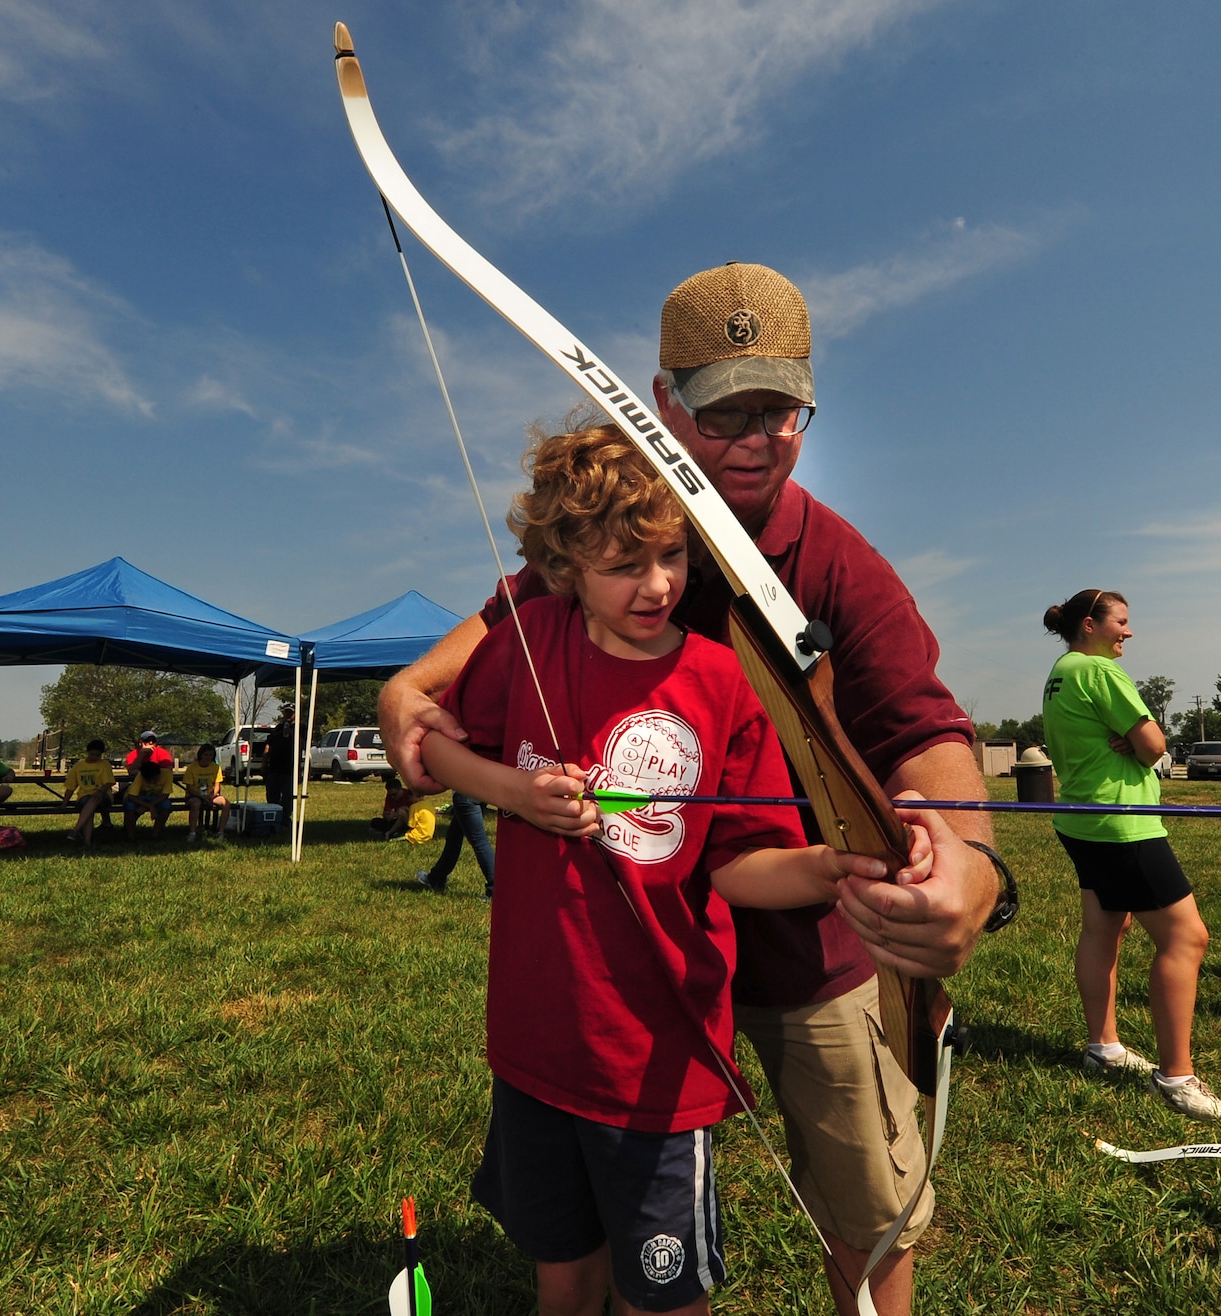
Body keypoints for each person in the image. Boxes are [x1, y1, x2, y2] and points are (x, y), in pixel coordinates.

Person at [380, 262, 998, 1312]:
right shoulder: (612, 531)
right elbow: (448, 671)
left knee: (865, 1211)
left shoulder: (836, 559)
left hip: (810, 931)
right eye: (722, 414)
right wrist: (407, 695)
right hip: (633, 961)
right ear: (662, 407)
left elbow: (924, 728)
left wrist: (968, 863)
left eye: (780, 411)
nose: (755, 440)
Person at [422, 420, 927, 1316]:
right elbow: (435, 751)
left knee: (662, 1298)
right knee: (564, 1280)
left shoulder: (722, 683)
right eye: (625, 566)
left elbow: (738, 865)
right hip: (536, 1041)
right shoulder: (529, 641)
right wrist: (516, 789)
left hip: (654, 1062)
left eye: (672, 557)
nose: (658, 586)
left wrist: (828, 866)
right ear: (566, 564)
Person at [1039, 589, 1221, 1122]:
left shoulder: (1062, 670)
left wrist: (1129, 737)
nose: (1128, 632)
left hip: (1082, 818)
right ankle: (1177, 1078)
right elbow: (1154, 744)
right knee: (1185, 936)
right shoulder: (1101, 671)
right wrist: (1142, 739)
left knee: (1105, 927)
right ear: (1091, 624)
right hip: (1122, 823)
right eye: (1122, 623)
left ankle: (1103, 1048)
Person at [418, 792, 496, 897]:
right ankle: (437, 878)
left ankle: (495, 889)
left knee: (479, 842)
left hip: (465, 795)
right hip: (480, 792)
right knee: (454, 837)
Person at [122, 731, 178, 840]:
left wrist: (149, 806)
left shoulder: (162, 754)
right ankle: (130, 837)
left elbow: (167, 771)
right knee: (129, 806)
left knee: (166, 806)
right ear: (141, 742)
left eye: (153, 741)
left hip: (156, 795)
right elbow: (132, 772)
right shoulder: (134, 755)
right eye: (147, 741)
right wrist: (141, 754)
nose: (151, 743)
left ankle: (154, 836)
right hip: (138, 794)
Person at [62, 738, 116, 844]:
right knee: (89, 806)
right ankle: (87, 842)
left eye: (98, 755)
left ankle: (76, 830)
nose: (95, 757)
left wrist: (100, 791)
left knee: (94, 799)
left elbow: (109, 783)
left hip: (103, 796)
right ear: (87, 752)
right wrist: (64, 803)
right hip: (85, 797)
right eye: (92, 754)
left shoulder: (104, 765)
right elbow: (70, 787)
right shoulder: (79, 766)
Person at [184, 743, 229, 842]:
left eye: (210, 755)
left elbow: (217, 785)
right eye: (206, 755)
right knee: (196, 804)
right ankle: (192, 832)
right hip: (194, 795)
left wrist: (211, 796)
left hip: (211, 795)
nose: (208, 757)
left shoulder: (216, 768)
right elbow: (189, 788)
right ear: (200, 754)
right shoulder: (191, 768)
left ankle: (220, 832)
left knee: (226, 803)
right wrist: (202, 797)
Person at [264, 704, 299, 828]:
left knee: (288, 796)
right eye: (286, 712)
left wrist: (292, 734)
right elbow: (269, 744)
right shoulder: (278, 728)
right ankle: (273, 818)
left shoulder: (300, 727)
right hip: (274, 767)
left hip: (289, 768)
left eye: (291, 712)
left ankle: (285, 819)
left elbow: (303, 744)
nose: (288, 715)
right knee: (272, 794)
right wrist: (265, 761)